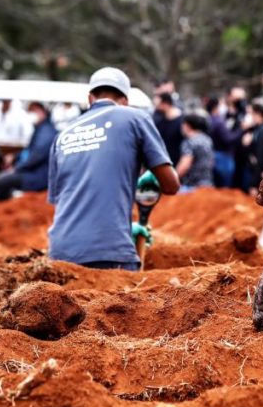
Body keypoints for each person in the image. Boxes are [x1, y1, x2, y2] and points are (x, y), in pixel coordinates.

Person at [47, 67, 179, 271]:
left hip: (60, 253)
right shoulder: (134, 118)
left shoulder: (62, 135)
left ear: (90, 98)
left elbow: (62, 200)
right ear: (125, 101)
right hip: (110, 251)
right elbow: (170, 185)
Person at [0, 102, 58, 201]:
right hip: (32, 172)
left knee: (3, 179)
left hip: (38, 177)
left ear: (43, 112)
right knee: (4, 177)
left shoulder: (46, 132)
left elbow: (35, 157)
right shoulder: (40, 129)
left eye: (34, 111)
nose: (31, 114)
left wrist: (16, 169)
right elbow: (29, 151)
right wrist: (14, 157)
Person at [207, 96, 244, 188]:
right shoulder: (219, 122)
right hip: (223, 156)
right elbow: (228, 139)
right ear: (216, 107)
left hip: (214, 154)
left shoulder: (209, 119)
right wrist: (241, 130)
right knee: (225, 185)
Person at [176, 112, 215, 191]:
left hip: (191, 186)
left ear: (188, 126)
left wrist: (174, 178)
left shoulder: (189, 142)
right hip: (207, 184)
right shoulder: (207, 140)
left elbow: (185, 165)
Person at [153, 92, 184, 166]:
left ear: (165, 104)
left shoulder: (182, 121)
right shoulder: (160, 120)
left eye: (159, 105)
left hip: (178, 160)